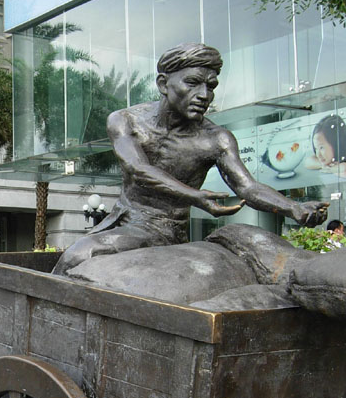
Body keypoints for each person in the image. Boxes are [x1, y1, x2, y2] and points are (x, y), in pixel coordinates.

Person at [52, 43, 328, 275]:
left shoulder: (216, 139)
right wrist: (195, 196)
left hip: (162, 230)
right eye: (193, 83)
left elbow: (248, 188)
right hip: (120, 219)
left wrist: (293, 208)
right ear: (163, 83)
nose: (204, 95)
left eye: (211, 86)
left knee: (79, 255)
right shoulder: (125, 120)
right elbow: (138, 169)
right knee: (70, 259)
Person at [304, 114, 346, 178]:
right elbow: (308, 162)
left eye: (321, 148)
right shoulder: (330, 154)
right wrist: (324, 165)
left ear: (335, 142)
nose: (318, 155)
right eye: (316, 148)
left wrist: (331, 169)